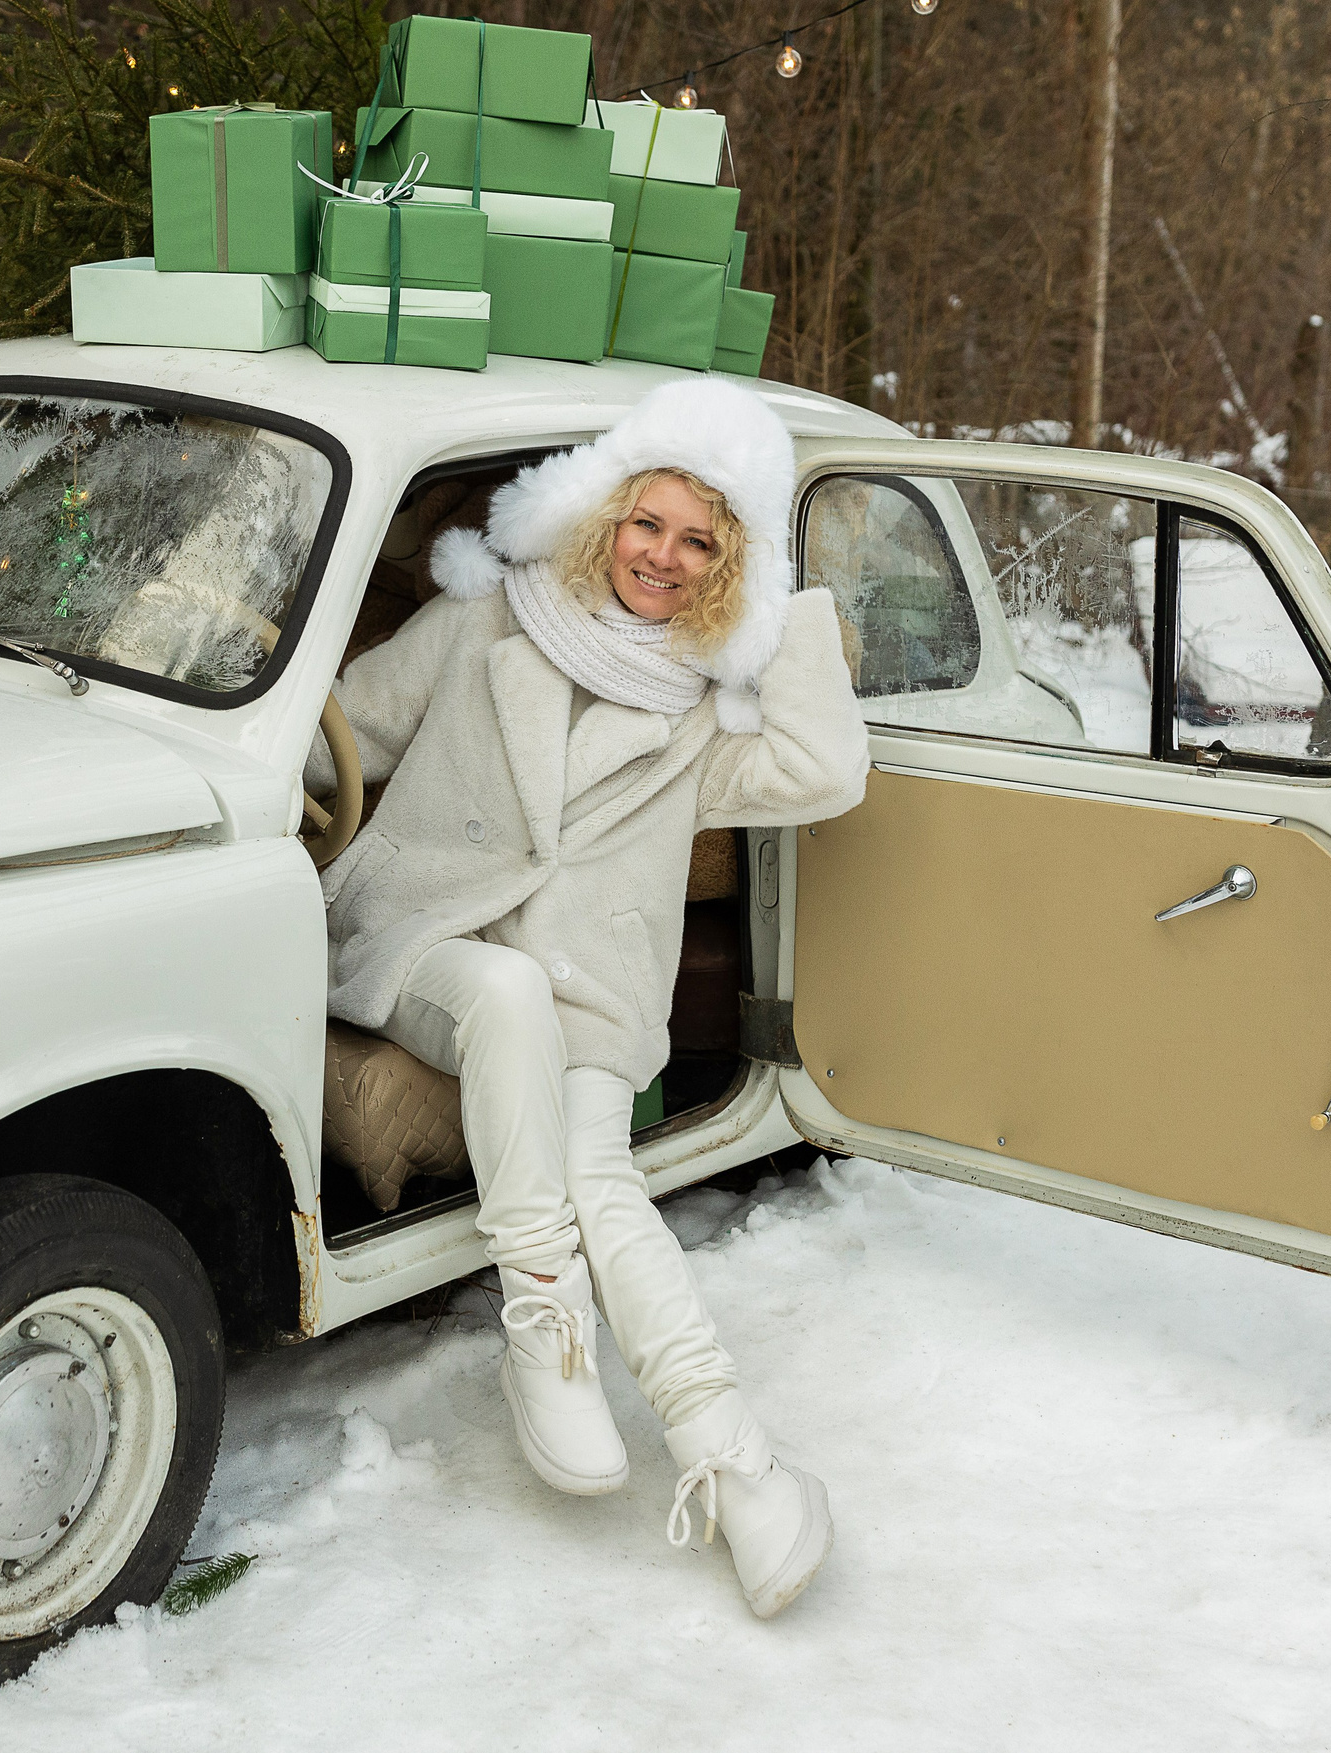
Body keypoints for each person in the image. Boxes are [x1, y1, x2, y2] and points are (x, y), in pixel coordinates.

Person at [310, 377, 871, 1619]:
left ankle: (738, 1465)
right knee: (501, 987)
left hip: (589, 995)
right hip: (420, 941)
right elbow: (339, 732)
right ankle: (541, 1314)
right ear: (601, 514)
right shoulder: (484, 624)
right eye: (647, 523)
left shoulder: (700, 717)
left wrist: (789, 600)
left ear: (731, 568)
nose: (662, 559)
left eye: (702, 543)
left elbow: (828, 770)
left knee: (605, 1184)